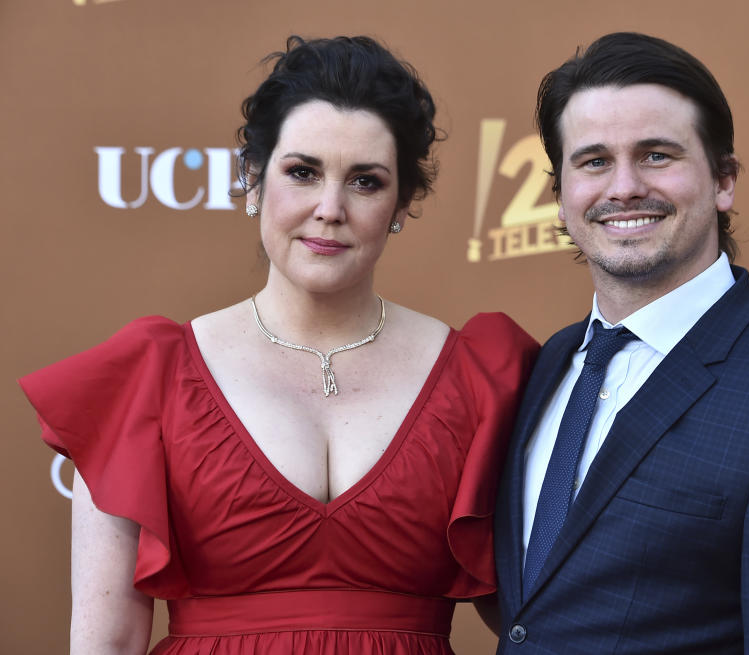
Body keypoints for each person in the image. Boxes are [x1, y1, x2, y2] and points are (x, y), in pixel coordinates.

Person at [20, 35, 537, 655]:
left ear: (401, 205)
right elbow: (105, 642)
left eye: (366, 182)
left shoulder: (484, 377)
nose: (329, 208)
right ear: (253, 182)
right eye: (302, 172)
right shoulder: (147, 378)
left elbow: (543, 617)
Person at [494, 32, 749, 654]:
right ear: (560, 195)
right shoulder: (548, 366)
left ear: (723, 180)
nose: (623, 187)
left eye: (656, 155)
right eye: (594, 161)